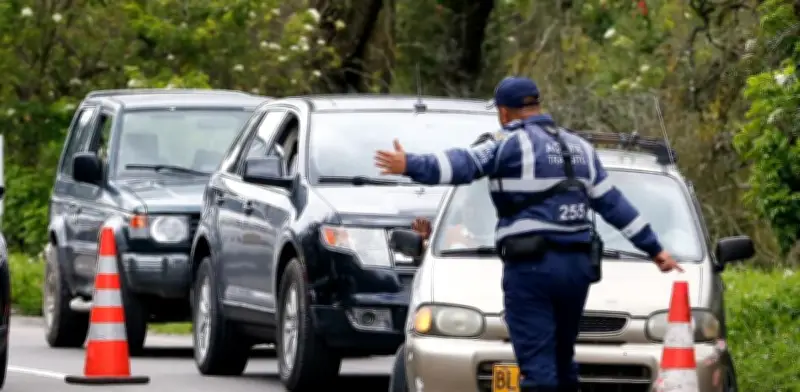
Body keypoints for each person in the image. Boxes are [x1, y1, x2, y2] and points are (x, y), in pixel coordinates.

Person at [374, 76, 683, 392]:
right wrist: (655, 250)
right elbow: (615, 206)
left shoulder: (507, 143)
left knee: (537, 369)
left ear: (504, 113)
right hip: (578, 269)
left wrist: (409, 164)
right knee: (563, 360)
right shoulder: (582, 149)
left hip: (532, 268)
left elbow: (461, 165)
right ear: (536, 105)